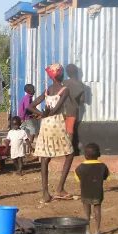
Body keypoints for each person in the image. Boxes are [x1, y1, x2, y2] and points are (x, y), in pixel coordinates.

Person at [28, 64, 74, 203]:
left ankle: (45, 193)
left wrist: (42, 114)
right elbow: (55, 110)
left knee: (45, 158)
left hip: (46, 125)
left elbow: (31, 106)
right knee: (70, 154)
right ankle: (60, 188)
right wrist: (48, 113)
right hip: (57, 124)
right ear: (61, 75)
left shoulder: (47, 90)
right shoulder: (64, 90)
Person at [75, 143, 109, 234]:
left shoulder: (80, 167)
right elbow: (105, 177)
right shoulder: (103, 166)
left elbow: (78, 177)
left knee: (87, 212)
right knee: (97, 211)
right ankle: (97, 231)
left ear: (85, 155)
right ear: (99, 155)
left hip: (85, 193)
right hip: (97, 193)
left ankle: (87, 230)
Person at [63, 64, 85, 155]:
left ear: (67, 73)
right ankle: (70, 150)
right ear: (76, 72)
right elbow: (82, 99)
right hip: (73, 110)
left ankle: (65, 149)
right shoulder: (80, 84)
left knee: (64, 130)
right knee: (70, 130)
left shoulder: (64, 83)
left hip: (63, 110)